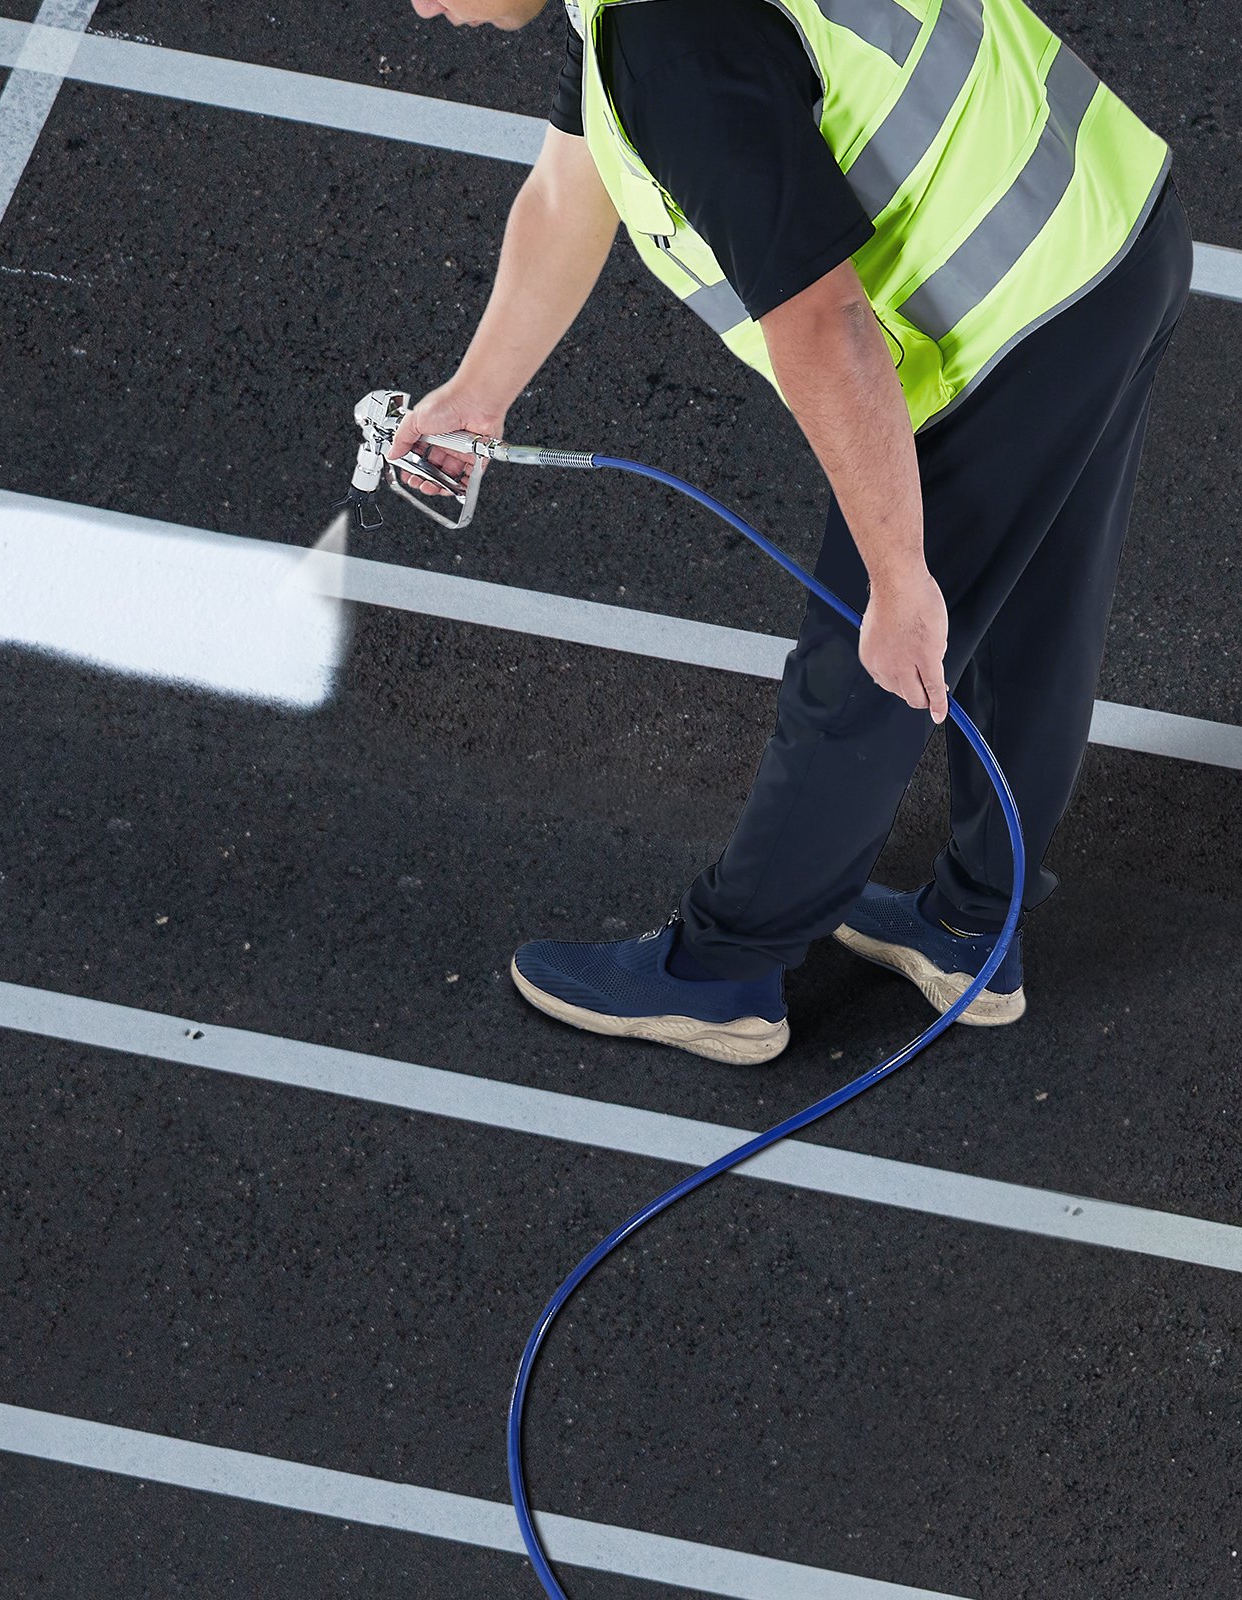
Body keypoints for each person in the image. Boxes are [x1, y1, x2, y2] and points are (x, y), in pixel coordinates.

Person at [395, 0, 1192, 1064]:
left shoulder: (672, 40)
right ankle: (972, 926)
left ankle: (726, 972)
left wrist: (898, 571)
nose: (418, 5)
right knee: (1036, 611)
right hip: (1105, 223)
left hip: (1002, 325)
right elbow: (567, 182)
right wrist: (480, 390)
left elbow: (823, 318)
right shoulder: (620, 20)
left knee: (868, 654)